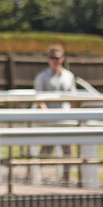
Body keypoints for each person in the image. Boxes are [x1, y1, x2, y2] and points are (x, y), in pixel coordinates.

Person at [34, 44, 77, 182]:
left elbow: (74, 99)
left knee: (68, 151)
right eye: (52, 58)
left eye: (57, 58)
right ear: (48, 59)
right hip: (49, 121)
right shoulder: (41, 77)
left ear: (62, 59)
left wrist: (75, 117)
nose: (55, 60)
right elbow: (39, 99)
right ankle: (37, 178)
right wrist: (47, 114)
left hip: (65, 120)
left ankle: (66, 178)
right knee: (46, 150)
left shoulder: (69, 76)